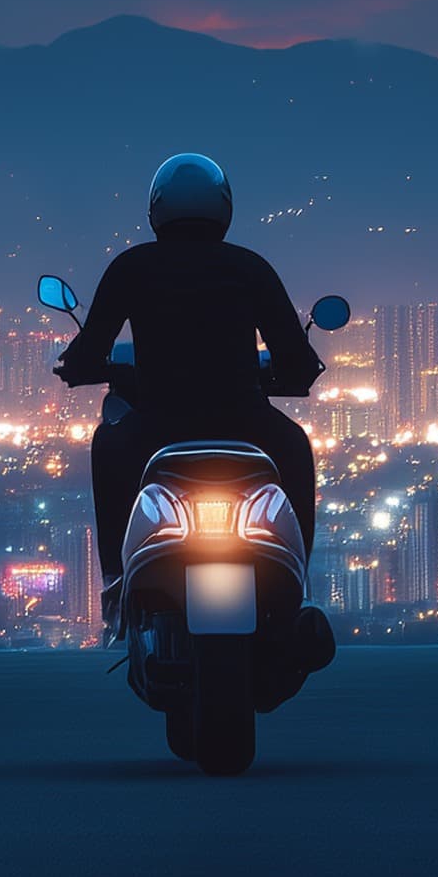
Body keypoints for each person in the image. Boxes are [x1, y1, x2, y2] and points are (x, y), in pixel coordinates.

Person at [53, 151, 323, 625]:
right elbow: (297, 360)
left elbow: (87, 350)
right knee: (296, 447)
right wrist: (291, 376)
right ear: (224, 207)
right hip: (245, 423)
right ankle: (296, 584)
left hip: (157, 425)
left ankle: (117, 581)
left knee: (107, 445)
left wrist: (78, 367)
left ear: (156, 208)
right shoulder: (250, 267)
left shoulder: (131, 267)